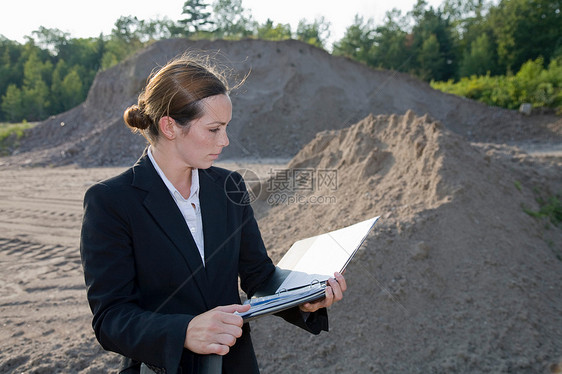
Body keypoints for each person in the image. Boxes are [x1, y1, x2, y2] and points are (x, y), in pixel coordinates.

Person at [79, 53, 347, 374]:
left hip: (235, 365)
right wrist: (184, 331)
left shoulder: (228, 186)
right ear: (169, 126)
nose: (225, 140)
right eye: (214, 129)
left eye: (226, 128)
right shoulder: (111, 201)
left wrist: (304, 297)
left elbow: (259, 275)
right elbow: (111, 318)